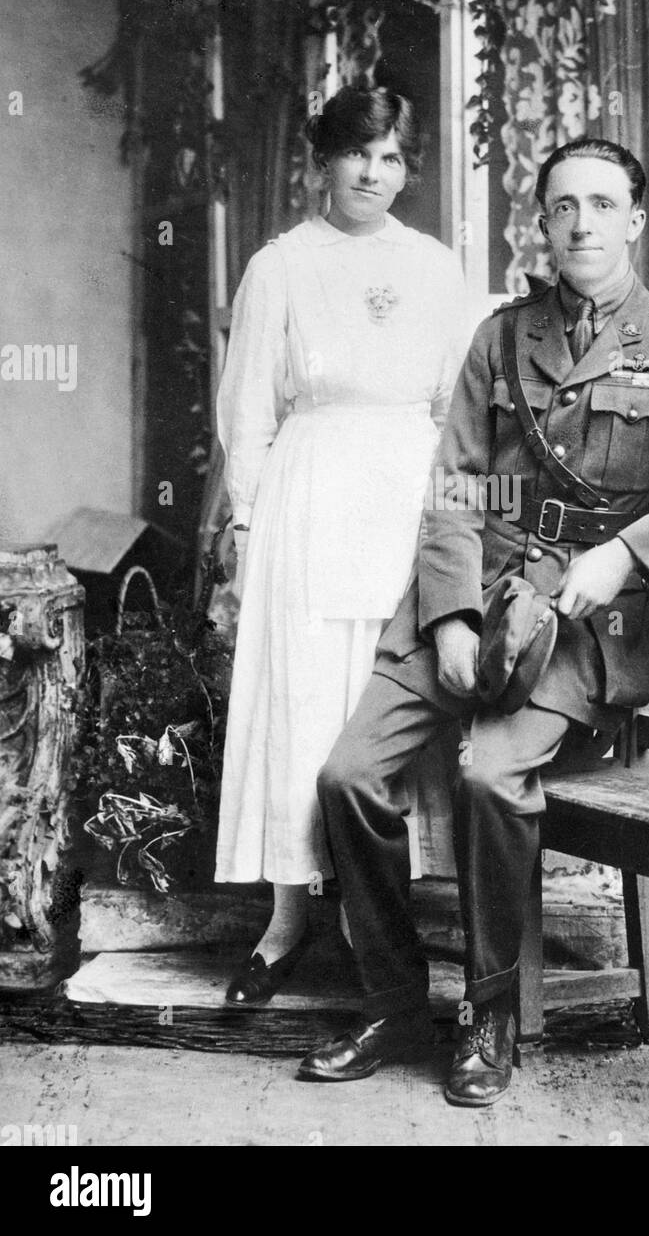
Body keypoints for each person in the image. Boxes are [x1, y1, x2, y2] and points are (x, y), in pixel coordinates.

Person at [297, 136, 649, 1106]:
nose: (581, 225)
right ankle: (395, 1000)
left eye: (602, 206)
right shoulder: (500, 336)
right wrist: (446, 617)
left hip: (581, 625)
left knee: (487, 771)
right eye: (563, 207)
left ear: (634, 221)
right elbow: (453, 486)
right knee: (347, 776)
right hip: (475, 590)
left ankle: (489, 1015)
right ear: (543, 222)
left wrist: (625, 557)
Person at [214, 86, 469, 1005]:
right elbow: (246, 414)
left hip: (406, 500)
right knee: (305, 702)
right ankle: (288, 918)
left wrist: (453, 532)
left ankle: (379, 923)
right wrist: (247, 531)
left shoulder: (438, 268)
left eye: (394, 156)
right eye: (360, 152)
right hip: (308, 499)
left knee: (386, 699)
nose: (375, 172)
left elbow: (458, 412)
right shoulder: (280, 266)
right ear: (322, 160)